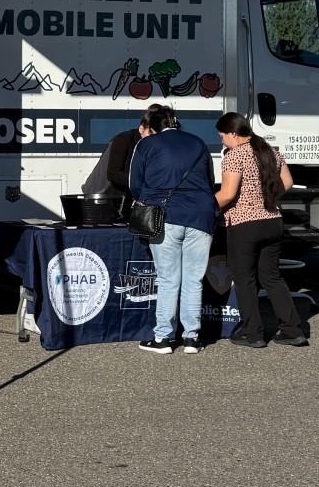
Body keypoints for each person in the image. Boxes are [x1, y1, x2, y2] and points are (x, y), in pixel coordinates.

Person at [128, 103, 216, 355]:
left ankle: (163, 338)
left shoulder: (146, 144)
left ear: (153, 126)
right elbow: (209, 181)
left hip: (164, 215)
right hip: (201, 215)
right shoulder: (198, 142)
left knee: (168, 279)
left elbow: (135, 185)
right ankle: (191, 338)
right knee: (194, 278)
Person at [214, 112, 307, 347]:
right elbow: (287, 182)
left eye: (223, 136)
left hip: (244, 224)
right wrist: (267, 200)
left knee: (245, 279)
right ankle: (292, 329)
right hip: (272, 220)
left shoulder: (234, 157)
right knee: (272, 277)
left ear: (234, 134)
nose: (222, 141)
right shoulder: (270, 151)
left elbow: (227, 194)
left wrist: (204, 207)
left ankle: (253, 333)